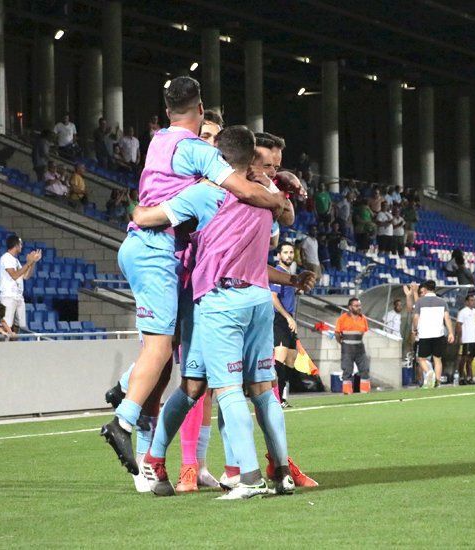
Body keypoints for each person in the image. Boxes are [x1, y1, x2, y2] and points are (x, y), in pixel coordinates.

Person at [100, 77, 287, 478]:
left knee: (189, 375)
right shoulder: (208, 178)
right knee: (175, 357)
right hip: (168, 260)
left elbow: (145, 212)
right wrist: (277, 197)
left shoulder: (160, 142)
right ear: (199, 111)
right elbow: (150, 216)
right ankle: (130, 426)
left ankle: (143, 420)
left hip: (186, 272)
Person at [131, 125, 301, 499]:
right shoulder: (268, 195)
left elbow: (145, 218)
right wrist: (283, 182)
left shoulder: (204, 193)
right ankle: (281, 472)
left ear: (218, 158)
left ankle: (250, 477)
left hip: (217, 301)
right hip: (258, 299)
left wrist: (136, 203)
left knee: (222, 390)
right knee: (255, 390)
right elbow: (285, 214)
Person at [270, 242, 299, 407]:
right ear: (279, 255)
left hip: (289, 319)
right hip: (280, 319)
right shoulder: (277, 273)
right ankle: (276, 399)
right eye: (286, 252)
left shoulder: (289, 275)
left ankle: (283, 397)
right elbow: (273, 297)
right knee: (279, 360)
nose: (289, 255)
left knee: (290, 360)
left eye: (291, 252)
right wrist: (288, 317)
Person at [412, 280, 454, 388]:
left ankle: (429, 372)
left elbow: (416, 317)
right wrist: (451, 333)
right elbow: (447, 318)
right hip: (438, 334)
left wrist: (415, 329)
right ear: (435, 288)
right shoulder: (442, 302)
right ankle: (437, 382)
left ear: (425, 289)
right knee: (437, 360)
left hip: (425, 334)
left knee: (421, 359)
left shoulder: (420, 302)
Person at [0, 235, 42, 332]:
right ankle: (2, 346)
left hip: (18, 296)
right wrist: (28, 263)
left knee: (18, 326)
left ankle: (15, 346)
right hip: (9, 296)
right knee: (6, 325)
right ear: (16, 245)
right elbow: (14, 275)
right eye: (20, 244)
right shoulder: (6, 258)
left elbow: (26, 276)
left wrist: (33, 262)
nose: (22, 246)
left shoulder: (16, 260)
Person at [334, 297, 371, 394]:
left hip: (360, 348)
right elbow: (337, 334)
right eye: (356, 306)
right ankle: (347, 393)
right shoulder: (342, 318)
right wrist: (343, 343)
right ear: (350, 307)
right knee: (347, 371)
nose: (359, 307)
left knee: (365, 370)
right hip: (347, 349)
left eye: (359, 305)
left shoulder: (363, 318)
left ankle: (365, 393)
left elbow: (362, 333)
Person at [455, 293, 475, 384]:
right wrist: (460, 337)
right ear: (467, 302)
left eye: (474, 300)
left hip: (474, 339)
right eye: (471, 300)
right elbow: (458, 325)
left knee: (470, 359)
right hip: (466, 339)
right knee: (464, 359)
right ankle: (461, 378)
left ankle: (470, 378)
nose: (473, 302)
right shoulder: (463, 312)